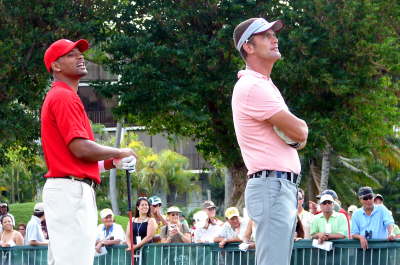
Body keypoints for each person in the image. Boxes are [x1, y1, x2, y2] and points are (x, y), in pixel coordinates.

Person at [41, 39, 137, 265]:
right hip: (70, 192)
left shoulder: (63, 95)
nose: (80, 57)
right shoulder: (64, 96)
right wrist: (120, 151)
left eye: (80, 53)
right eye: (71, 54)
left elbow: (78, 160)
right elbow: (81, 149)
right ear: (56, 66)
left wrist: (113, 162)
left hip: (68, 189)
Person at [232, 17, 308, 265]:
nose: (274, 38)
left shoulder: (262, 84)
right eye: (265, 35)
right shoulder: (253, 86)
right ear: (248, 47)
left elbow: (295, 135)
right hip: (272, 185)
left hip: (276, 186)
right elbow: (300, 133)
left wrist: (296, 133)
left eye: (273, 34)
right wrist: (300, 131)